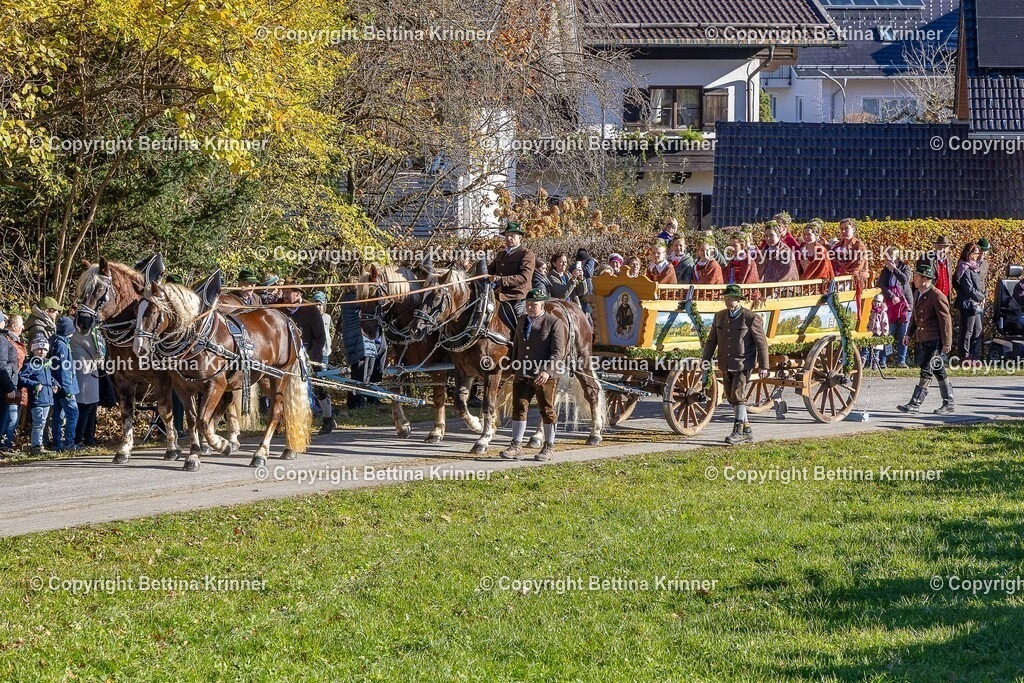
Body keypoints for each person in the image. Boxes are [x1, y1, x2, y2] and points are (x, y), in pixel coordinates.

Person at [499, 289, 568, 462]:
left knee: (547, 410)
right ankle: (516, 445)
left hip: (544, 376)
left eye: (533, 305)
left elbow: (558, 352)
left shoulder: (554, 323)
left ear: (542, 305)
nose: (529, 307)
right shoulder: (522, 320)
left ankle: (549, 447)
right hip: (523, 372)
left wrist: (547, 371)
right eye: (528, 304)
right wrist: (514, 367)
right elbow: (517, 346)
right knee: (519, 407)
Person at [701, 284, 770, 445]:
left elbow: (761, 343)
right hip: (725, 363)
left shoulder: (750, 318)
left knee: (738, 396)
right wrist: (705, 360)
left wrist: (764, 366)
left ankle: (738, 431)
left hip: (743, 363)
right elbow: (711, 341)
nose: (728, 301)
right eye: (726, 298)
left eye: (731, 298)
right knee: (731, 397)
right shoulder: (719, 316)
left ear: (738, 300)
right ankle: (747, 430)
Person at [898, 259, 954, 415]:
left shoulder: (937, 295)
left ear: (925, 279)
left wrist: (947, 343)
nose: (914, 279)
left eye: (916, 277)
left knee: (926, 369)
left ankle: (915, 403)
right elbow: (915, 318)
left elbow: (945, 320)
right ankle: (949, 402)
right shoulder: (918, 293)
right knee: (938, 369)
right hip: (924, 338)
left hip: (935, 339)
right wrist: (908, 334)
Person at [283, 285, 333, 434]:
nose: (285, 296)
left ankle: (328, 418)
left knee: (317, 388)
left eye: (288, 293)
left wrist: (311, 358)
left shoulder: (311, 310)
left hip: (309, 355)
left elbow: (320, 337)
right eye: (284, 292)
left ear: (298, 294)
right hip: (287, 356)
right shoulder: (281, 310)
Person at [488, 222, 536, 334]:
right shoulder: (501, 254)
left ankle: (525, 341)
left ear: (520, 237)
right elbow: (490, 271)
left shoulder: (526, 254)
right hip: (498, 296)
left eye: (512, 236)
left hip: (517, 297)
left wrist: (501, 280)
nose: (509, 238)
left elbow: (524, 277)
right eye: (506, 236)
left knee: (521, 323)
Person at [876, 248, 913, 368]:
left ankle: (901, 360)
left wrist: (894, 270)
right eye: (886, 257)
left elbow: (905, 280)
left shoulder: (905, 268)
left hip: (904, 305)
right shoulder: (885, 271)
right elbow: (881, 285)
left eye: (890, 257)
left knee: (903, 334)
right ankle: (883, 360)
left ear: (897, 257)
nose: (888, 260)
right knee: (888, 332)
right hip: (890, 304)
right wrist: (891, 296)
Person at [19, 335, 54, 456]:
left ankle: (41, 443)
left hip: (47, 398)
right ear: (33, 350)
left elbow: (50, 378)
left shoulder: (46, 364)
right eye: (39, 349)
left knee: (43, 423)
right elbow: (22, 378)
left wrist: (55, 384)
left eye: (44, 349)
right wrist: (34, 385)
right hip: (38, 398)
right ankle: (36, 446)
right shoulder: (30, 364)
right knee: (38, 423)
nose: (42, 351)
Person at [48, 315, 80, 451]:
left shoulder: (55, 341)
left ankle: (57, 443)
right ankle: (69, 442)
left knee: (58, 415)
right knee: (73, 413)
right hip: (64, 387)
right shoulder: (61, 345)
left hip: (57, 385)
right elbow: (63, 369)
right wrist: (68, 389)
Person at [70, 324, 103, 447]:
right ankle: (80, 438)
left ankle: (89, 437)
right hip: (85, 371)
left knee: (91, 407)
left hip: (89, 371)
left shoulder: (90, 331)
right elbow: (96, 351)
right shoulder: (80, 332)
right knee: (85, 407)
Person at [953, 243, 985, 365]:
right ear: (969, 253)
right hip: (967, 303)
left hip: (975, 303)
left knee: (977, 329)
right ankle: (964, 356)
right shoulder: (964, 267)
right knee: (967, 331)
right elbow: (968, 288)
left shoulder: (974, 267)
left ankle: (973, 355)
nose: (977, 256)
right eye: (975, 253)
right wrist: (981, 297)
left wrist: (981, 297)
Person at [0, 314, 26, 452]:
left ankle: (5, 444)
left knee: (10, 417)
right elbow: (3, 366)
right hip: (7, 384)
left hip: (11, 383)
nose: (23, 328)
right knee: (8, 417)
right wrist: (10, 386)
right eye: (21, 325)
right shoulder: (5, 340)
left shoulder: (7, 339)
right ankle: (4, 444)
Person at [832, 218, 870, 286]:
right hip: (835, 277)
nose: (843, 231)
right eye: (841, 229)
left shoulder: (859, 246)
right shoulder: (837, 246)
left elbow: (858, 267)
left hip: (850, 280)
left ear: (853, 230)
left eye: (847, 228)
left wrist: (843, 272)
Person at [862, 294, 890, 369]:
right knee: (865, 350)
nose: (876, 303)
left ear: (881, 303)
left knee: (876, 351)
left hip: (878, 334)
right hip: (868, 333)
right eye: (875, 301)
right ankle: (862, 364)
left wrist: (884, 333)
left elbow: (885, 324)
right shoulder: (869, 311)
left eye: (878, 302)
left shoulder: (883, 313)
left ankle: (875, 365)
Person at [312, 291, 333, 365]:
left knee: (324, 370)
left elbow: (332, 329)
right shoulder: (310, 318)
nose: (318, 307)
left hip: (325, 353)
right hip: (314, 353)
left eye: (320, 305)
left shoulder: (327, 317)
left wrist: (329, 339)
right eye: (316, 305)